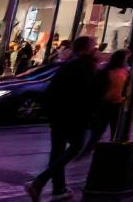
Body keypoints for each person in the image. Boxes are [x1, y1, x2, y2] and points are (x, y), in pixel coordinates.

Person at [26, 36, 100, 202]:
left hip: (58, 113)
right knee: (75, 147)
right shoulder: (84, 66)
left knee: (57, 151)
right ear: (86, 49)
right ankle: (39, 182)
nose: (96, 48)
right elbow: (87, 93)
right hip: (74, 115)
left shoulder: (69, 64)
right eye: (93, 46)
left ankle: (58, 189)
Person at [89, 49, 131, 146]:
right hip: (112, 102)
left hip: (111, 102)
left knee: (102, 129)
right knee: (108, 128)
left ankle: (91, 147)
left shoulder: (108, 70)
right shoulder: (120, 72)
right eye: (126, 58)